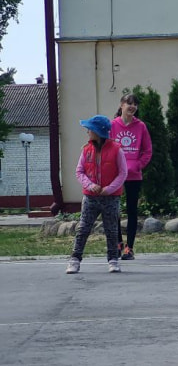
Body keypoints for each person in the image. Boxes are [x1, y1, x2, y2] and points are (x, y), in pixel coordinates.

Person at [67, 115, 128, 274]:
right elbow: (79, 171)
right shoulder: (86, 150)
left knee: (111, 229)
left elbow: (123, 173)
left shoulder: (116, 150)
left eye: (90, 129)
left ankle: (113, 260)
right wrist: (90, 185)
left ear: (98, 132)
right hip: (90, 197)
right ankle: (75, 259)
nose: (87, 131)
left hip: (111, 198)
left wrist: (109, 189)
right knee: (83, 228)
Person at [110, 92, 152, 260]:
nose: (133, 106)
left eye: (135, 104)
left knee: (132, 211)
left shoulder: (141, 126)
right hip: (115, 175)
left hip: (134, 175)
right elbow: (107, 148)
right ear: (122, 105)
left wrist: (137, 165)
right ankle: (118, 243)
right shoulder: (112, 125)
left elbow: (147, 151)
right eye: (129, 103)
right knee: (114, 210)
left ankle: (130, 248)